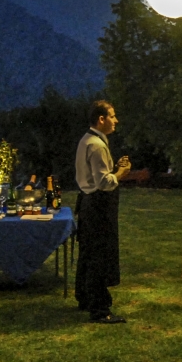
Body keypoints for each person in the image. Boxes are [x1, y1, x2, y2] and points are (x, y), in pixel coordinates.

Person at [75, 99, 131, 324]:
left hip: (88, 203)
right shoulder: (97, 145)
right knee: (99, 256)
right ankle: (100, 309)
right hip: (98, 206)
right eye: (112, 116)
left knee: (88, 254)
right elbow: (104, 182)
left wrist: (114, 168)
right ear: (101, 119)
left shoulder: (87, 140)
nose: (116, 120)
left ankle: (85, 298)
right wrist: (122, 172)